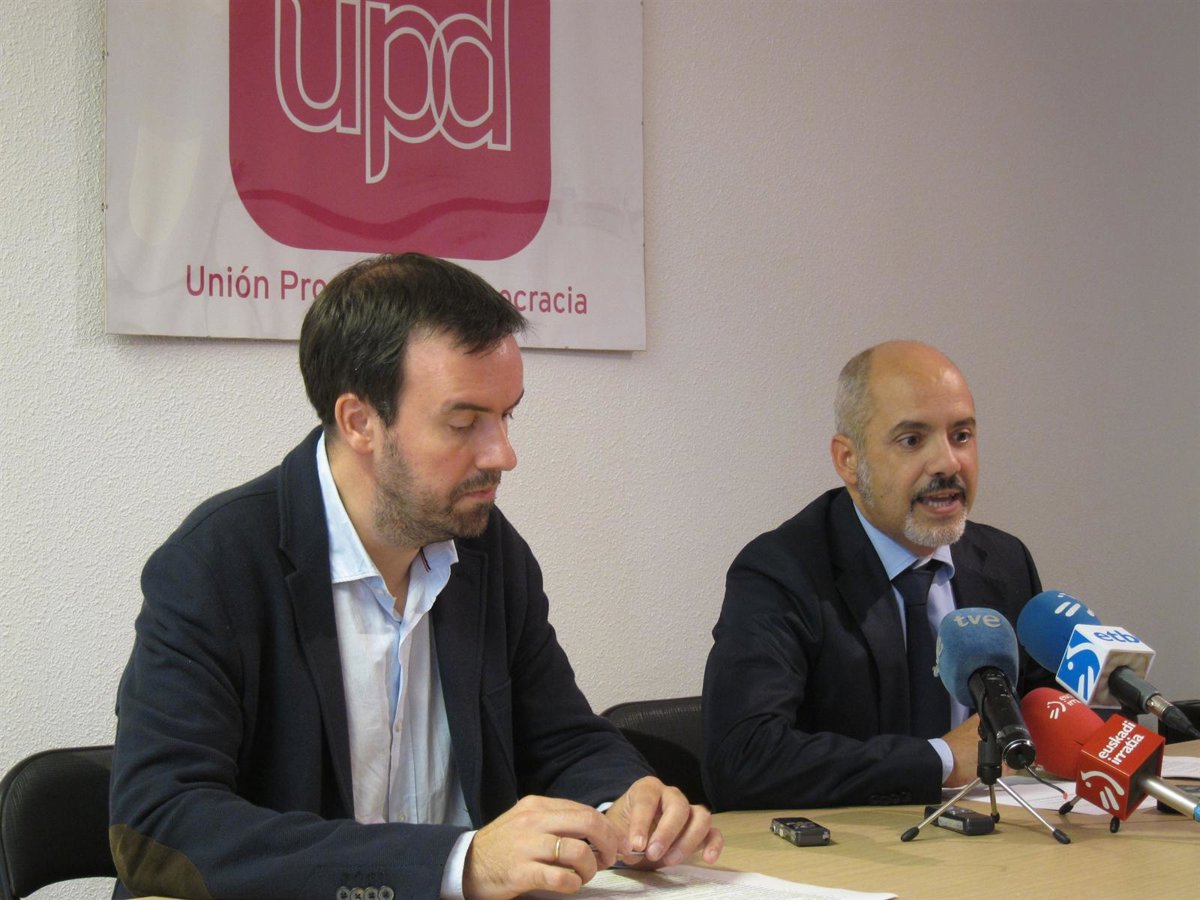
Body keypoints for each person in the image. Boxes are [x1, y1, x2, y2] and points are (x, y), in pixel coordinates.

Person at [110, 253, 722, 900]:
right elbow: (159, 823)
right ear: (360, 423)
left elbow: (561, 738)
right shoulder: (216, 564)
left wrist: (624, 803)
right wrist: (457, 864)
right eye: (463, 423)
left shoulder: (488, 552)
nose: (503, 454)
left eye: (507, 416)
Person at [702, 340, 1054, 810]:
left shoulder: (1004, 561)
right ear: (849, 460)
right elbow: (742, 760)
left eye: (961, 435)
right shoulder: (783, 572)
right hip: (854, 848)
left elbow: (1048, 709)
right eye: (912, 440)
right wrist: (943, 759)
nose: (948, 463)